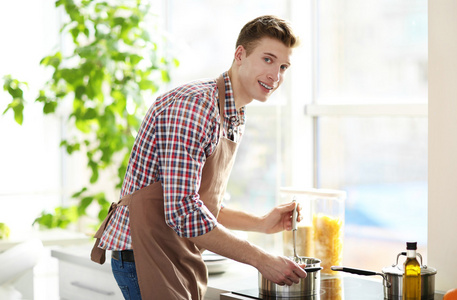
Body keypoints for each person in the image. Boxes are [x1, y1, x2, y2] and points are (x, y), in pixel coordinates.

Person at [91, 15, 306, 300]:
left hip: (176, 253)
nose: (275, 76)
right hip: (142, 256)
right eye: (268, 60)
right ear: (240, 54)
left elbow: (199, 204)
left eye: (283, 67)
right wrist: (261, 259)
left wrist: (262, 223)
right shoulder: (194, 107)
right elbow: (182, 211)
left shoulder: (233, 113)